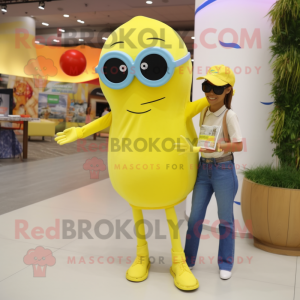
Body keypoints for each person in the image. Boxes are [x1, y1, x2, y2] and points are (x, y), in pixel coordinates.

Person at [184, 65, 243, 280]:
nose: (210, 92)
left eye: (216, 88)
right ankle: (188, 260)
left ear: (228, 90)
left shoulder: (230, 115)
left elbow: (238, 146)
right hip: (203, 169)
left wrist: (219, 147)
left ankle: (225, 262)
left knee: (225, 220)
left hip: (223, 170)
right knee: (194, 219)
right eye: (206, 86)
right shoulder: (204, 112)